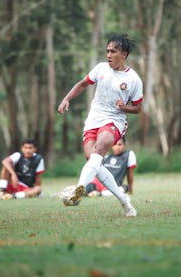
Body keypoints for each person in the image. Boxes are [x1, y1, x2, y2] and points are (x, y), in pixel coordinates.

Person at [57, 34, 143, 217]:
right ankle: (125, 201)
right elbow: (82, 85)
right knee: (94, 162)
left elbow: (137, 108)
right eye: (107, 51)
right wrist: (66, 99)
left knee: (100, 147)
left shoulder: (134, 80)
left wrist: (124, 107)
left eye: (113, 51)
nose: (109, 55)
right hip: (93, 119)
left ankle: (78, 189)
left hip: (115, 121)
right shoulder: (101, 68)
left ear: (124, 54)